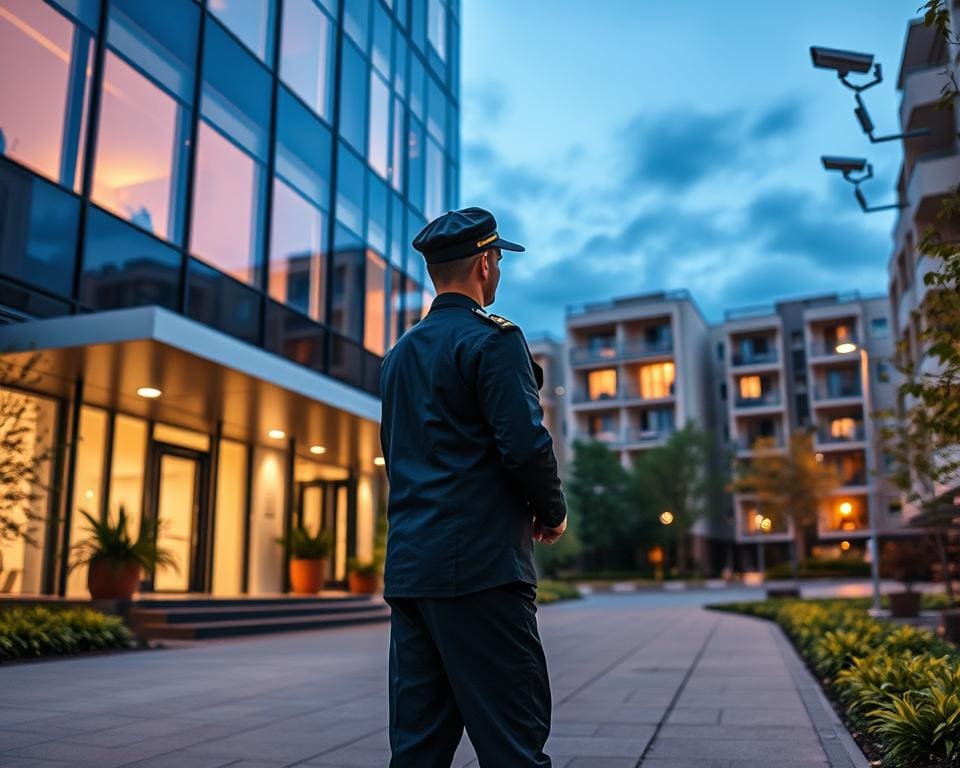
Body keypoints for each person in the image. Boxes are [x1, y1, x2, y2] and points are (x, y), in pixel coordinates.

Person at [379, 206, 568, 767]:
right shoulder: (494, 341)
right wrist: (551, 511)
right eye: (498, 260)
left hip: (413, 572)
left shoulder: (398, 356)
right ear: (486, 264)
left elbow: (400, 459)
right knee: (515, 740)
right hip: (481, 569)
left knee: (417, 748)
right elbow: (527, 445)